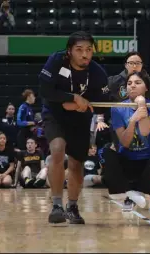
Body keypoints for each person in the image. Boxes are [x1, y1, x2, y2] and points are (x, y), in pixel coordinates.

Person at [39, 31, 109, 224]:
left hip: (80, 118)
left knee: (76, 163)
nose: (85, 54)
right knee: (57, 149)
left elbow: (103, 100)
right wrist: (72, 99)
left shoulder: (97, 72)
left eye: (88, 50)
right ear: (69, 51)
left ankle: (72, 206)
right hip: (54, 114)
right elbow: (45, 90)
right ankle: (56, 205)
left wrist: (82, 104)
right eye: (79, 50)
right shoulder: (56, 61)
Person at [103, 71, 150, 212]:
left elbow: (144, 131)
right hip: (127, 160)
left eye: (138, 83)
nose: (132, 86)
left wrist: (142, 105)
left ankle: (135, 193)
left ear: (146, 88)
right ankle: (126, 192)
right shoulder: (117, 108)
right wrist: (132, 120)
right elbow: (125, 142)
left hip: (148, 162)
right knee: (107, 152)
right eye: (129, 83)